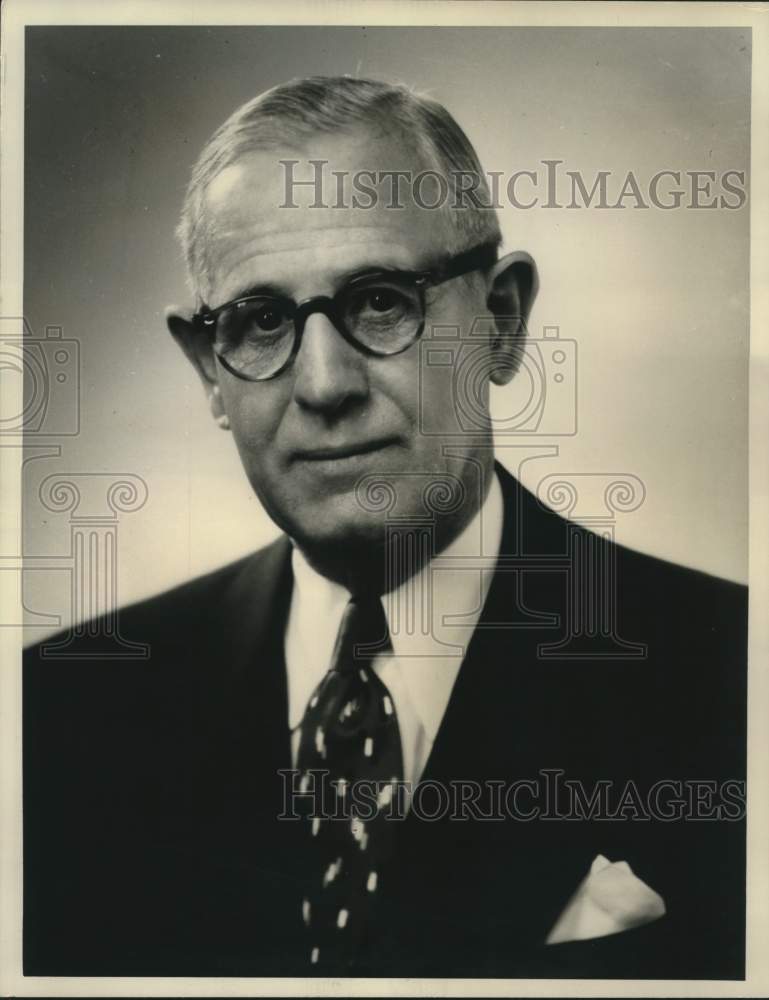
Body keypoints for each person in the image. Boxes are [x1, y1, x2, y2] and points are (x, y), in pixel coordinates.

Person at [23, 76, 747, 980]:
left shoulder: (731, 680)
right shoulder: (52, 720)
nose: (325, 385)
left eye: (379, 302)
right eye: (260, 321)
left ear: (501, 320)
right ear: (211, 371)